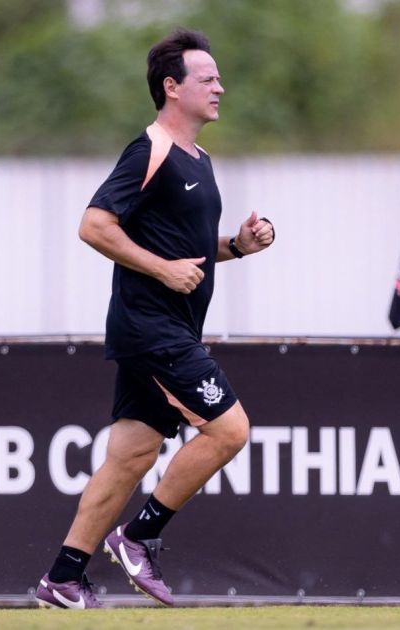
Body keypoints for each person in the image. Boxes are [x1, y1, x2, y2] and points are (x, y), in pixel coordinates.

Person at [34, 28, 275, 610]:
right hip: (152, 330)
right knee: (230, 429)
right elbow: (94, 225)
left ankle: (63, 579)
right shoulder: (151, 150)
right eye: (207, 78)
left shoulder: (200, 159)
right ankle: (139, 536)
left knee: (131, 458)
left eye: (219, 77)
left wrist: (236, 246)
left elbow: (184, 246)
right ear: (171, 87)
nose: (220, 86)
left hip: (168, 331)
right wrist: (162, 270)